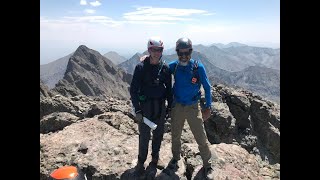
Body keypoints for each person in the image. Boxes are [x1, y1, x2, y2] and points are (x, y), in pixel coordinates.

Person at [166, 37, 213, 179]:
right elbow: (159, 69)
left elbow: (207, 87)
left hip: (193, 106)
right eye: (181, 53)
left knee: (200, 137)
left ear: (191, 52)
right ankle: (175, 158)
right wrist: (146, 60)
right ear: (177, 52)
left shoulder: (198, 67)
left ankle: (208, 165)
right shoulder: (174, 66)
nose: (184, 56)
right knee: (175, 135)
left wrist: (208, 106)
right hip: (178, 106)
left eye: (187, 53)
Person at [130, 36, 173, 178]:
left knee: (158, 135)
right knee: (144, 136)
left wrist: (169, 108)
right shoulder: (141, 67)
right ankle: (141, 161)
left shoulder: (165, 68)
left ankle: (154, 159)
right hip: (145, 107)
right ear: (149, 50)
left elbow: (169, 90)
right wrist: (137, 109)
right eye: (153, 50)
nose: (156, 52)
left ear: (162, 51)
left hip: (160, 107)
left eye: (159, 50)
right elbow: (133, 90)